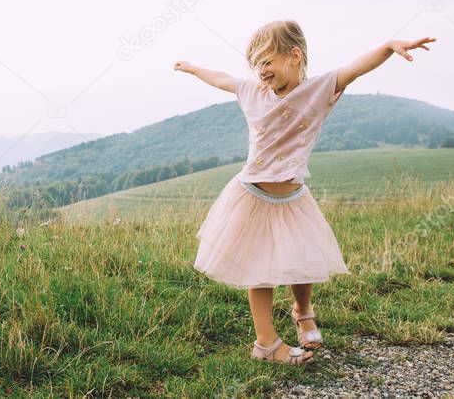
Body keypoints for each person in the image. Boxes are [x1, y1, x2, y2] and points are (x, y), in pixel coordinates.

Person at [173, 20, 436, 366]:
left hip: (293, 197)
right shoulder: (252, 92)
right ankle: (266, 343)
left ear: (294, 55)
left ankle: (303, 310)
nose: (261, 71)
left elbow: (355, 68)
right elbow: (221, 78)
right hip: (252, 196)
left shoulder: (319, 90)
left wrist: (388, 47)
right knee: (258, 269)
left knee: (304, 260)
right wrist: (193, 69)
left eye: (267, 61)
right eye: (256, 64)